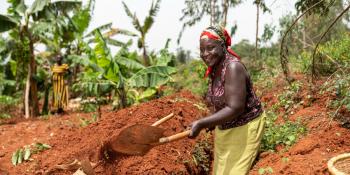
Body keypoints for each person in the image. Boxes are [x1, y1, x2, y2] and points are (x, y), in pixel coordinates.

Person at [188, 26, 266, 175]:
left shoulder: (233, 67)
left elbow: (235, 108)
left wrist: (202, 123)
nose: (205, 54)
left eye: (210, 48)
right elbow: (221, 103)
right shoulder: (215, 68)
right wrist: (208, 123)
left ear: (222, 46)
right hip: (225, 130)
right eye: (202, 50)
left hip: (245, 128)